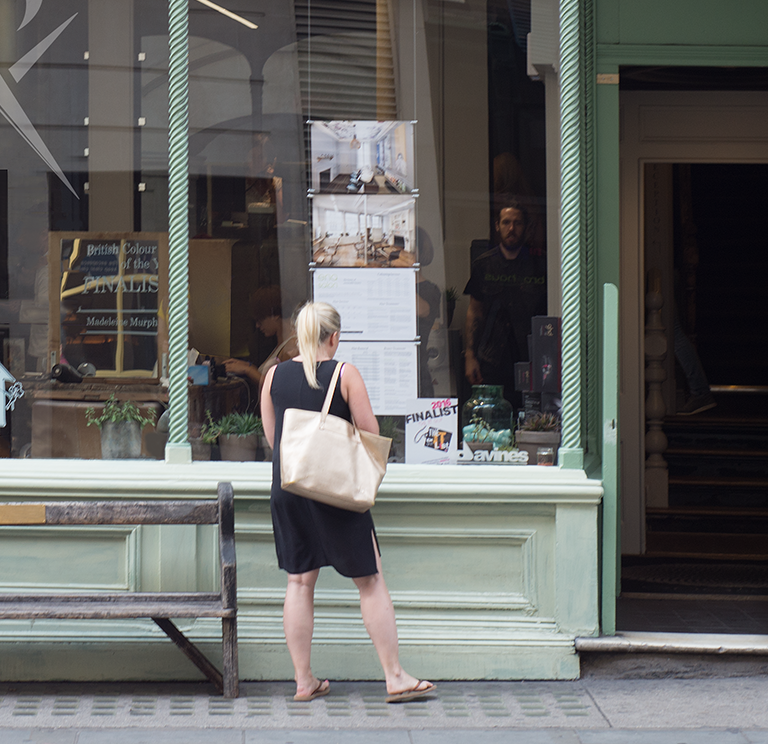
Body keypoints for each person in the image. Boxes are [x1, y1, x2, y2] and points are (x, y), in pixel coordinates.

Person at [261, 301, 434, 704]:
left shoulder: (272, 378)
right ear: (334, 337)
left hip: (288, 490)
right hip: (335, 492)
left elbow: (275, 442)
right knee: (370, 581)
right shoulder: (344, 373)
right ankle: (395, 677)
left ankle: (304, 681)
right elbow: (370, 437)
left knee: (299, 582)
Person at [464, 205, 546, 394]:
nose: (511, 229)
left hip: (533, 358)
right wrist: (470, 355)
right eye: (506, 222)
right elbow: (474, 311)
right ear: (497, 226)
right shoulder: (483, 265)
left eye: (517, 223)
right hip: (492, 359)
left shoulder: (541, 265)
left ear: (525, 227)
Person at [223, 285, 296, 386]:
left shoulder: (292, 346)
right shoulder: (283, 343)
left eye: (260, 320)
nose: (257, 325)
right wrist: (247, 366)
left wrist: (248, 370)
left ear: (275, 315)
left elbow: (280, 387)